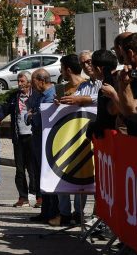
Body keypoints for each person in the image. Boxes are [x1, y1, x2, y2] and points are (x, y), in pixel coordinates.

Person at [52, 54, 95, 226]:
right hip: (64, 138)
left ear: (67, 69)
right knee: (60, 173)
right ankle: (64, 213)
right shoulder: (62, 88)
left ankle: (78, 212)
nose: (61, 72)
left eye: (61, 68)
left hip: (82, 137)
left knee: (80, 173)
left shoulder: (88, 86)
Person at [2, 71, 37, 208]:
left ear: (29, 82)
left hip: (33, 136)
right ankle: (23, 197)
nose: (19, 84)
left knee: (34, 168)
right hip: (19, 137)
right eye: (18, 81)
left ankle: (38, 196)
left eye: (22, 81)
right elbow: (5, 109)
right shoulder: (14, 97)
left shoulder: (35, 96)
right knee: (20, 169)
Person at [28, 69, 56, 222]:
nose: (32, 86)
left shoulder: (51, 96)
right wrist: (32, 115)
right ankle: (46, 210)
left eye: (33, 83)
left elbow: (39, 118)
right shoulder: (39, 96)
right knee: (41, 175)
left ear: (41, 81)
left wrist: (33, 116)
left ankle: (53, 210)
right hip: (38, 138)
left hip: (47, 139)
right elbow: (29, 111)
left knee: (48, 175)